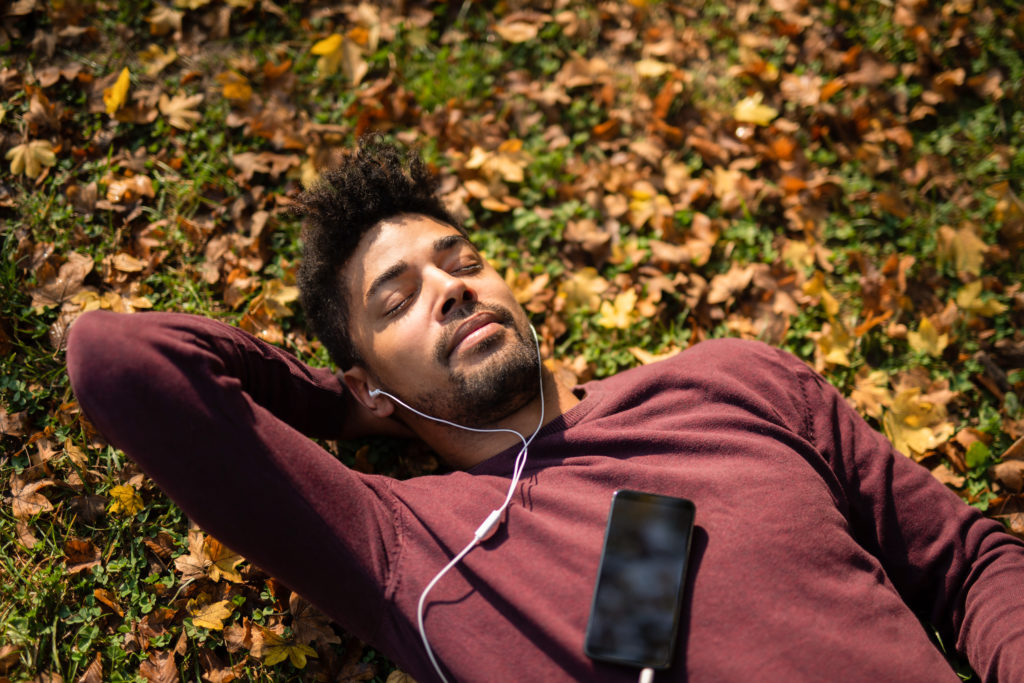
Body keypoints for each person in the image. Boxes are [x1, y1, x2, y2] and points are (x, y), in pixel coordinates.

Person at [66, 139, 1024, 682]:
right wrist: (351, 407)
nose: (449, 286)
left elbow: (973, 563)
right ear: (368, 380)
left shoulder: (732, 383)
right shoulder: (402, 545)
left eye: (464, 260)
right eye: (397, 300)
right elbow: (118, 360)